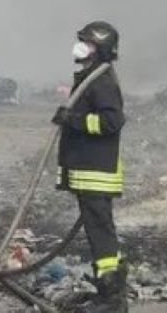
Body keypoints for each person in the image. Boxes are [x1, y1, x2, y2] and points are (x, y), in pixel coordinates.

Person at [54, 21, 127, 312]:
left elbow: (111, 121)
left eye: (87, 42)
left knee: (101, 235)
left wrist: (73, 120)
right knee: (99, 233)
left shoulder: (101, 81)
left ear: (100, 48)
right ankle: (107, 294)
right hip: (88, 173)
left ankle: (112, 299)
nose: (80, 46)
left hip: (96, 174)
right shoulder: (91, 76)